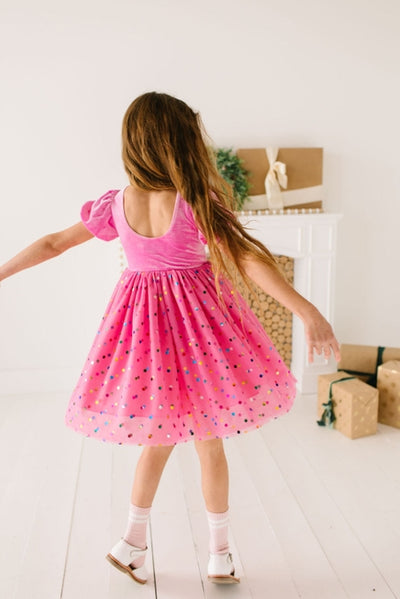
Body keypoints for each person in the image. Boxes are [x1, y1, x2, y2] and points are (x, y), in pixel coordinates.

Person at [0, 92, 340, 585]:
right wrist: (305, 309)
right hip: (203, 336)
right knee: (209, 444)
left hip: (146, 342)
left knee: (157, 442)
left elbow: (54, 242)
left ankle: (132, 542)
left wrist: (3, 270)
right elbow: (247, 259)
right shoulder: (196, 197)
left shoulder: (116, 205)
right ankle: (219, 553)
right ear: (178, 142)